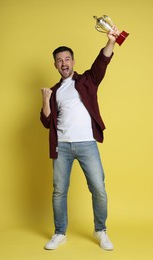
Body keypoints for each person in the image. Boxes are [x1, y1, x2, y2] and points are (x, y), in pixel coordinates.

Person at [40, 25, 119, 251]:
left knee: (98, 188)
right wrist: (45, 100)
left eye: (67, 59)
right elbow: (46, 122)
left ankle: (100, 229)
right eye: (59, 60)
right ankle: (59, 232)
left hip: (86, 144)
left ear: (73, 62)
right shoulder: (54, 91)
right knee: (59, 191)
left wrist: (111, 41)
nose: (63, 63)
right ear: (55, 65)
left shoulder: (87, 81)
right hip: (62, 147)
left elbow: (101, 63)